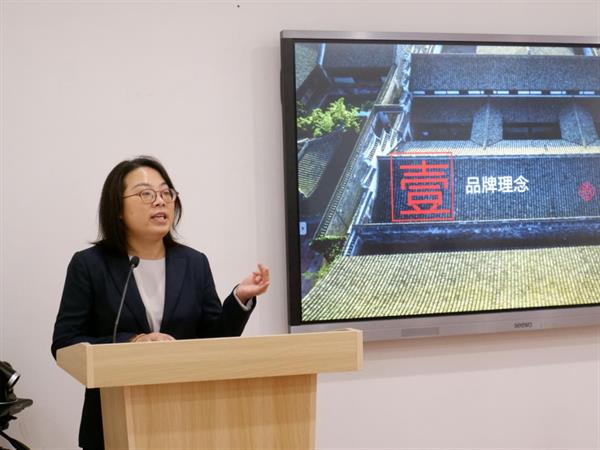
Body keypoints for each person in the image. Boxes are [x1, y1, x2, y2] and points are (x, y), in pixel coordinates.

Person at [51, 156, 270, 450]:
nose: (160, 201)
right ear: (117, 208)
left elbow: (215, 339)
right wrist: (132, 341)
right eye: (146, 193)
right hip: (112, 422)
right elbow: (65, 343)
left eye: (167, 193)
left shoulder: (193, 263)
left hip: (188, 420)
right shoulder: (90, 265)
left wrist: (240, 298)